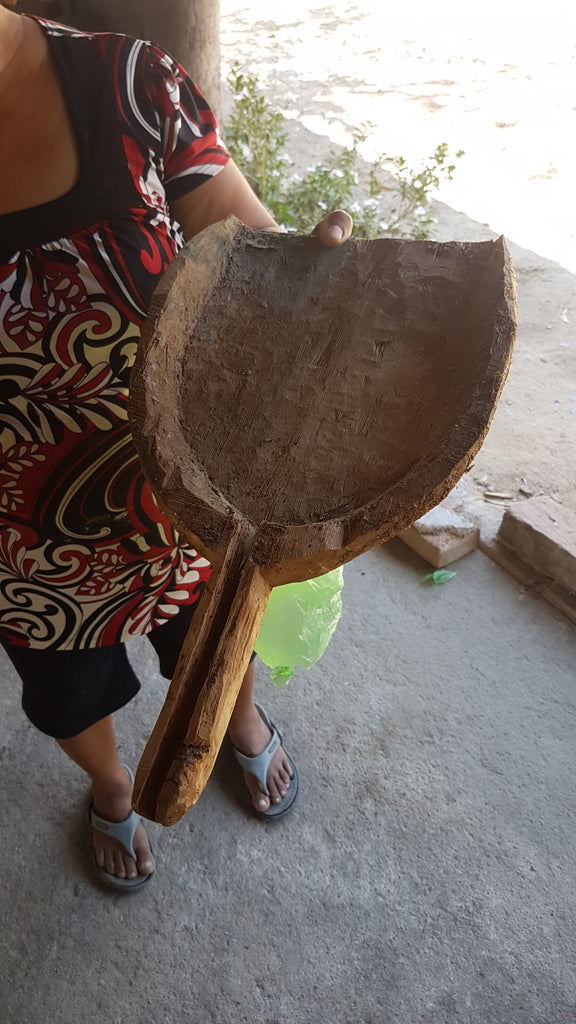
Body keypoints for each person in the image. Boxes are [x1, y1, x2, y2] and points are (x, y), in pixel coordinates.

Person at [0, 1, 353, 889]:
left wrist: (306, 280)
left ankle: (236, 725)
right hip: (22, 543)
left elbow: (241, 245)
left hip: (190, 492)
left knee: (217, 632)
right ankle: (115, 789)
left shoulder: (130, 82)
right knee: (69, 692)